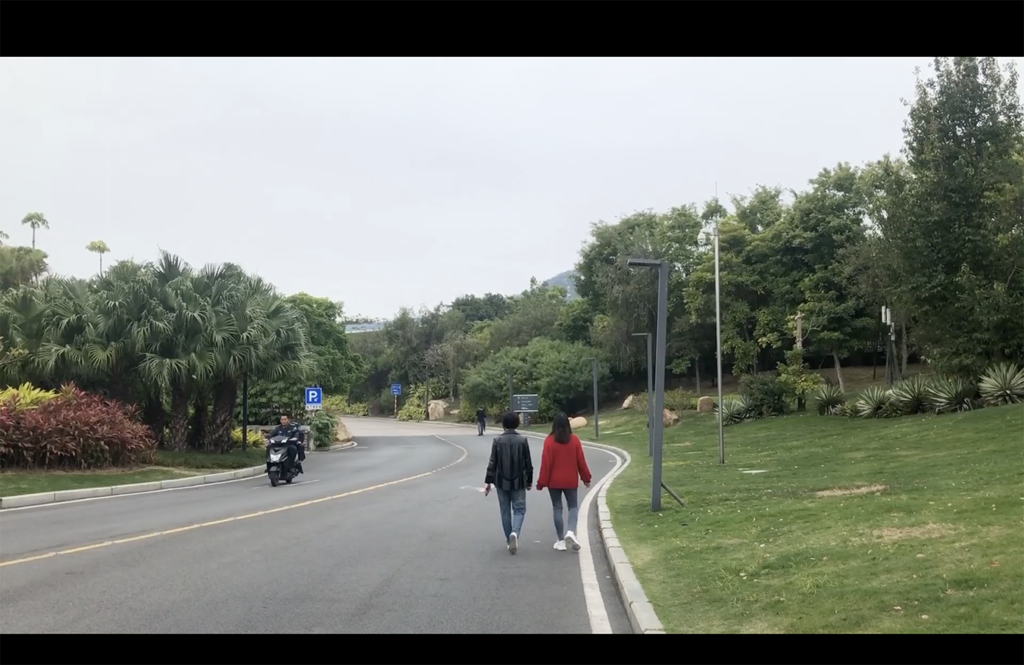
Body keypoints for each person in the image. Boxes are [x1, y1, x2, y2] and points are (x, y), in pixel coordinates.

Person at [535, 412, 591, 551]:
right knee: (573, 507)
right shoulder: (574, 440)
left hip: (553, 482)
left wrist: (541, 483)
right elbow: (581, 461)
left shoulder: (549, 441)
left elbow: (545, 464)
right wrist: (586, 478)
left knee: (557, 508)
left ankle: (560, 540)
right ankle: (570, 531)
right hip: (570, 480)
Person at [484, 411, 533, 554]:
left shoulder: (497, 441)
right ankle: (515, 533)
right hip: (519, 481)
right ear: (517, 423)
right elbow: (528, 463)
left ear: (503, 424)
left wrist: (488, 481)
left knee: (505, 511)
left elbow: (492, 462)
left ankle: (509, 539)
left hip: (501, 481)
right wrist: (529, 480)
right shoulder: (523, 440)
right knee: (519, 509)